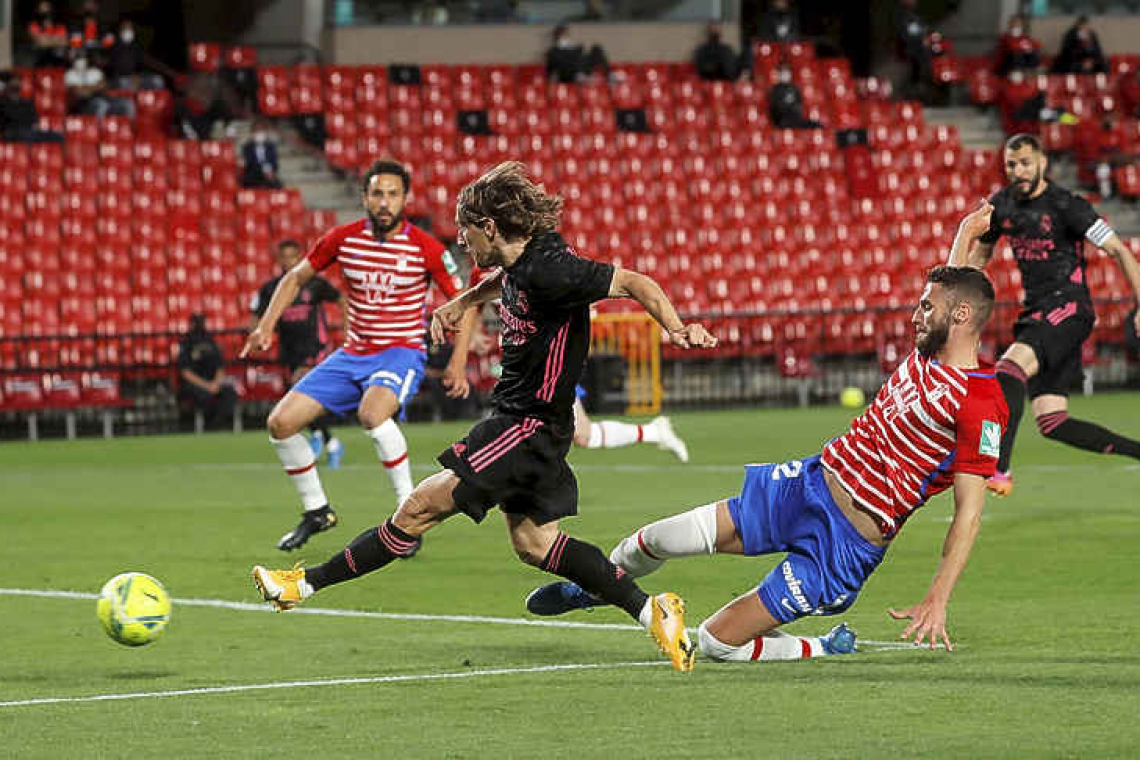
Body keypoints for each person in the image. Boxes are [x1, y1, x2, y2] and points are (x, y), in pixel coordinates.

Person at [250, 161, 718, 672]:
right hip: (536, 428)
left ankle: (304, 584)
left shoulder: (554, 268)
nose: (463, 243)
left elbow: (634, 282)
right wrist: (459, 303)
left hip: (525, 424)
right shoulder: (521, 263)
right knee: (536, 544)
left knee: (418, 509)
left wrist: (675, 329)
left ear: (489, 227)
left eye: (466, 233)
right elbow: (500, 281)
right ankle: (655, 612)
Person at [526, 256, 1010, 662]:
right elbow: (961, 265)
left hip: (842, 547)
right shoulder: (927, 354)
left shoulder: (981, 404)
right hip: (806, 487)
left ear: (962, 315)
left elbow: (969, 514)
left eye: (926, 306)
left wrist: (937, 597)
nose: (916, 315)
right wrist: (970, 227)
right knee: (652, 539)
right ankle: (595, 589)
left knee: (715, 642)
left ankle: (822, 647)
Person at [241, 159, 461, 552]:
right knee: (280, 423)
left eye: (393, 194)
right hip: (352, 353)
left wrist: (459, 356)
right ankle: (317, 511)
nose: (384, 202)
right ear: (365, 197)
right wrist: (266, 325)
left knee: (372, 414)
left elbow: (464, 299)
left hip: (401, 351)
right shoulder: (342, 239)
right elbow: (295, 278)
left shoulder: (427, 248)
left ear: (406, 199)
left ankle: (407, 518)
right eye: (377, 193)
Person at [957, 134, 1140, 497]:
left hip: (1070, 307)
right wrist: (959, 289)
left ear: (1042, 162)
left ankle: (998, 468)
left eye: (1025, 162)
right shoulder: (1003, 206)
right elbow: (980, 255)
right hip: (1038, 312)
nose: (1018, 171)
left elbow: (1118, 250)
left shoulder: (1067, 205)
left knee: (1008, 369)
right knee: (1053, 421)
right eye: (1011, 164)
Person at [451, 264, 691, 461]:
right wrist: (466, 346)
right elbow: (473, 304)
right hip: (528, 366)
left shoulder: (542, 261)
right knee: (577, 434)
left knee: (554, 433)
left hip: (551, 365)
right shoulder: (482, 271)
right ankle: (653, 432)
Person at [251, 239, 347, 468]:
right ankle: (326, 439)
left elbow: (341, 299)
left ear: (300, 258)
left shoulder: (313, 284)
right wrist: (259, 332)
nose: (288, 262)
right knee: (301, 398)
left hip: (316, 347)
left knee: (301, 389)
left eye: (293, 257)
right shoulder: (271, 289)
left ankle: (324, 440)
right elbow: (257, 316)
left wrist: (347, 326)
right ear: (278, 260)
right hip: (289, 351)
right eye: (284, 257)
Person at [178, 313, 239, 428]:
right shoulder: (186, 342)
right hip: (196, 384)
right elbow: (186, 372)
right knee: (203, 396)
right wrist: (206, 386)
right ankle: (206, 425)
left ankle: (220, 425)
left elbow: (220, 367)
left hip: (213, 382)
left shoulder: (210, 341)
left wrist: (215, 384)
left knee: (229, 393)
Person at [0, 72, 63, 144]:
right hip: (12, 132)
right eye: (13, 81)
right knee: (26, 135)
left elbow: (34, 120)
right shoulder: (2, 102)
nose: (16, 84)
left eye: (18, 81)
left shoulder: (27, 103)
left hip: (29, 131)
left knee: (57, 136)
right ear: (7, 84)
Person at [545, 24, 611, 84]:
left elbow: (582, 58)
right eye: (562, 35)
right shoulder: (552, 51)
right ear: (557, 36)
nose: (564, 37)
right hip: (567, 75)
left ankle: (610, 75)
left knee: (596, 48)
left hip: (581, 69)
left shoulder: (574, 48)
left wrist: (577, 50)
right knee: (569, 58)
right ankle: (580, 75)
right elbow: (551, 69)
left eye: (566, 35)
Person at [768, 64, 822, 129]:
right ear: (778, 74)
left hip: (796, 119)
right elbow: (775, 110)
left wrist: (794, 109)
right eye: (783, 72)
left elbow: (799, 104)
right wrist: (788, 108)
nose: (785, 75)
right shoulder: (775, 90)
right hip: (784, 121)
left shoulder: (794, 89)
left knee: (817, 125)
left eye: (787, 72)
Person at [240, 120, 282, 189]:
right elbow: (248, 163)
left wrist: (270, 170)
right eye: (257, 131)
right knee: (247, 181)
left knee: (277, 184)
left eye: (261, 130)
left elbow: (274, 162)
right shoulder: (247, 147)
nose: (259, 133)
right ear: (252, 133)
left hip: (269, 174)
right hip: (253, 174)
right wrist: (263, 170)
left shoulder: (270, 146)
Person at [27, 1, 69, 68]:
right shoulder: (33, 25)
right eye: (42, 9)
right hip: (40, 59)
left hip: (58, 60)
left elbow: (65, 42)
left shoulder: (60, 25)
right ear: (38, 11)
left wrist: (47, 39)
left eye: (47, 9)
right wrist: (56, 39)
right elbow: (41, 43)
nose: (45, 12)